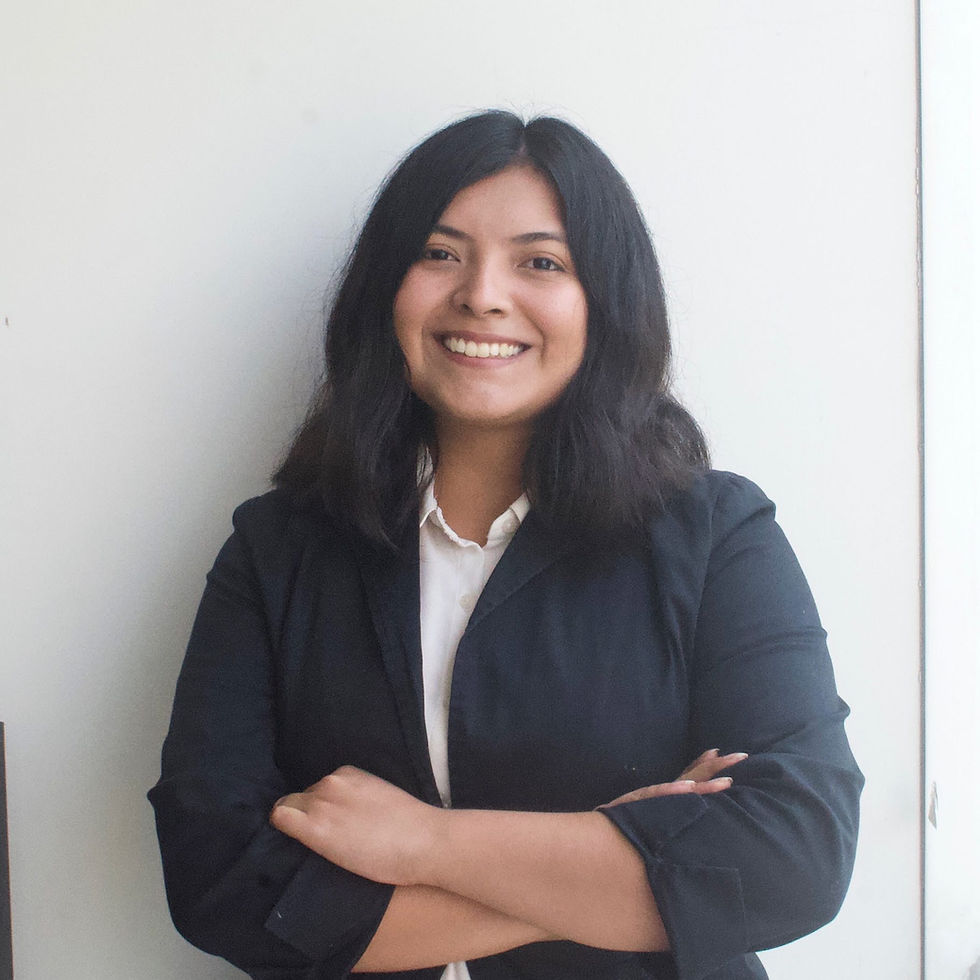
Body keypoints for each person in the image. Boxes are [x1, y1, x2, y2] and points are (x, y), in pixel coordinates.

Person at [149, 110, 863, 980]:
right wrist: (608, 856)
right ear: (386, 288)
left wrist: (425, 843)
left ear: (605, 301)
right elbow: (220, 886)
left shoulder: (717, 535)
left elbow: (795, 859)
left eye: (541, 262)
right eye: (440, 253)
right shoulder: (275, 550)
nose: (483, 294)